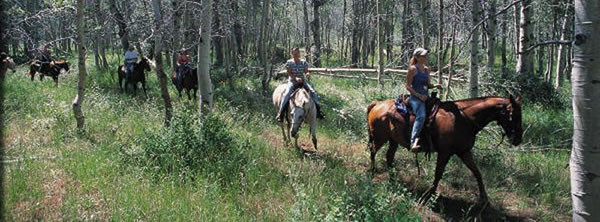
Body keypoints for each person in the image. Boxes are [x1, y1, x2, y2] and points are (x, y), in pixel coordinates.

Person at [405, 48, 442, 153]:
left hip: (426, 97)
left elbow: (428, 85)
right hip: (415, 98)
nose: (425, 58)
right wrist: (418, 95)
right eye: (423, 56)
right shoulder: (413, 69)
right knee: (421, 116)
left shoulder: (426, 69)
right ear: (416, 57)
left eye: (426, 56)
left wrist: (435, 85)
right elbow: (407, 86)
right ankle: (413, 142)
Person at [276, 47, 325, 122]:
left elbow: (306, 71)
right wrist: (295, 78)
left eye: (297, 53)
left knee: (313, 92)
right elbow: (289, 73)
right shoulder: (289, 62)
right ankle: (280, 113)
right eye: (295, 53)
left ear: (299, 53)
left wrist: (307, 74)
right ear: (292, 54)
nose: (296, 55)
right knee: (286, 94)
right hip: (292, 81)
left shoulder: (303, 62)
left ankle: (318, 112)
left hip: (302, 81)